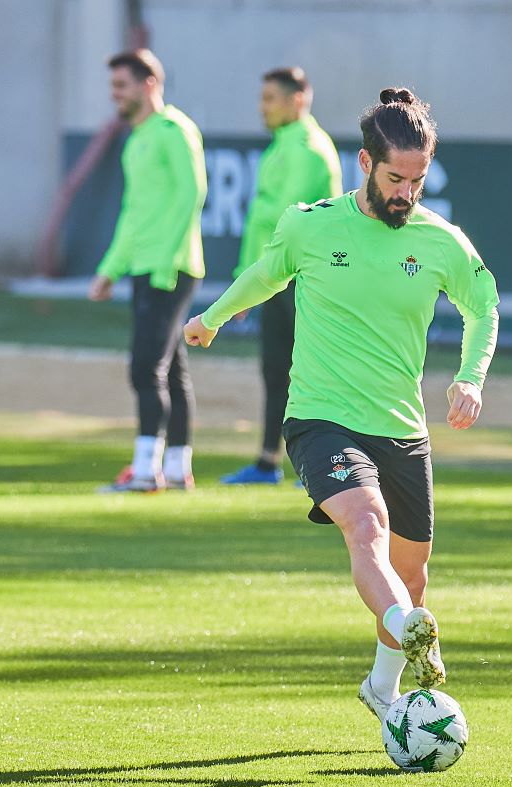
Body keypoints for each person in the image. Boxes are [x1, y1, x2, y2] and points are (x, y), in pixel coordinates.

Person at [183, 88, 500, 721]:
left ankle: (382, 687)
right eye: (394, 179)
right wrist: (212, 317)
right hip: (320, 418)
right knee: (366, 524)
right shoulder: (311, 224)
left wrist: (470, 378)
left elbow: (484, 306)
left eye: (417, 180)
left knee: (412, 574)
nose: (406, 193)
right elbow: (267, 273)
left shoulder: (442, 242)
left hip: (401, 427)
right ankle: (408, 628)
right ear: (364, 162)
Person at [89, 49, 207, 493]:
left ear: (149, 84)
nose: (115, 94)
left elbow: (192, 194)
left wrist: (166, 261)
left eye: (122, 85)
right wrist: (111, 269)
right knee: (170, 370)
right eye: (113, 86)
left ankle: (144, 471)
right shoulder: (137, 139)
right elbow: (132, 214)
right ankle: (176, 468)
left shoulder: (175, 130)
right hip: (145, 267)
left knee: (145, 368)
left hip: (170, 268)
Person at [221, 67, 342, 485]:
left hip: (304, 281)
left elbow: (287, 221)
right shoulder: (281, 146)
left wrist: (251, 281)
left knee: (313, 376)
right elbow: (261, 225)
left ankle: (327, 464)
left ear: (297, 100)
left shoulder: (309, 148)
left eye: (270, 98)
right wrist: (244, 283)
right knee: (276, 371)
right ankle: (267, 462)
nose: (263, 107)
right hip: (276, 280)